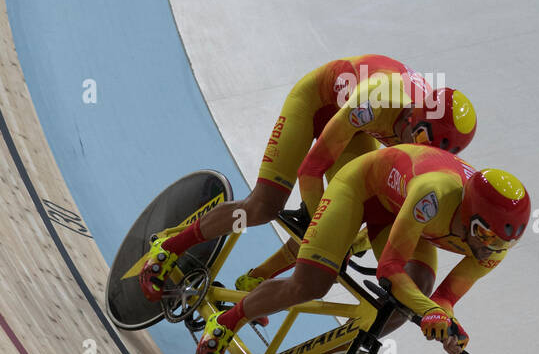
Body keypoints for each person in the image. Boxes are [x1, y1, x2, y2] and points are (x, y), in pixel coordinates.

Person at [139, 54, 476, 299]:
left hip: (353, 131)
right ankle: (168, 248)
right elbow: (311, 169)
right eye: (413, 134)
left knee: (344, 217)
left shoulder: (421, 145)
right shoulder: (379, 98)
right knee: (264, 206)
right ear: (414, 112)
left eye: (422, 148)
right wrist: (319, 224)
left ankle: (255, 280)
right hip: (316, 104)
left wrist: (347, 237)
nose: (410, 144)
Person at [194, 143, 531, 354]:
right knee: (312, 283)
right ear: (468, 213)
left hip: (399, 213)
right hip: (361, 189)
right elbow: (390, 269)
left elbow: (444, 300)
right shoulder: (434, 194)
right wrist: (431, 311)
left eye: (504, 243)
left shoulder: (495, 247)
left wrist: (449, 328)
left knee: (415, 294)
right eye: (484, 235)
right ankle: (225, 323)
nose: (490, 249)